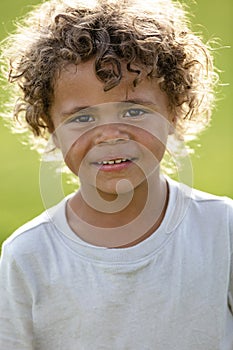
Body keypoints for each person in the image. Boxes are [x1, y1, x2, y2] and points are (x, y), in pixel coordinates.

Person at [0, 0, 232, 348]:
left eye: (134, 111)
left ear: (174, 110)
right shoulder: (29, 254)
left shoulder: (222, 230)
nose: (110, 135)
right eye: (82, 118)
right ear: (50, 126)